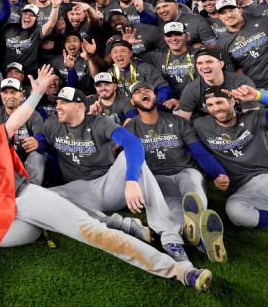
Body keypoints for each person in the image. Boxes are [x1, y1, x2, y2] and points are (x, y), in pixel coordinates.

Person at [0, 66, 212, 306]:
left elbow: (15, 121)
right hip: (4, 224)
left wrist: (36, 94)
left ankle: (180, 270)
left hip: (26, 199)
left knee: (95, 233)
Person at [43, 83, 191, 262]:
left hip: (108, 185)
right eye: (57, 102)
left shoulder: (99, 122)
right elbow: (45, 147)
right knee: (44, 196)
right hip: (78, 190)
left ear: (80, 106)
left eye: (63, 103)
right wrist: (38, 144)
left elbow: (133, 142)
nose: (57, 107)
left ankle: (170, 238)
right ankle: (121, 224)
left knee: (130, 158)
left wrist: (131, 180)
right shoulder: (51, 124)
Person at [125, 81, 229, 262]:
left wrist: (218, 173)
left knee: (193, 189)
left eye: (148, 90)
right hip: (158, 176)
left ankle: (190, 232)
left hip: (185, 170)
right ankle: (201, 238)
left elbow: (198, 151)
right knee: (172, 203)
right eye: (138, 92)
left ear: (155, 97)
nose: (144, 92)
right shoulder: (129, 128)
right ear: (132, 102)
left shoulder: (177, 121)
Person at [194, 85, 268, 232]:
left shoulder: (255, 118)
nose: (216, 108)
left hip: (265, 176)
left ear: (232, 102)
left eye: (220, 102)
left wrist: (259, 97)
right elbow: (198, 152)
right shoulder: (200, 125)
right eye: (210, 105)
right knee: (234, 210)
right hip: (243, 188)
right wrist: (217, 174)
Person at [0, 77, 47, 185]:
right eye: (5, 92)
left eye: (13, 92)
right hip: (1, 161)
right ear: (0, 95)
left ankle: (32, 192)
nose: (9, 96)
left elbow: (43, 141)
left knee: (38, 157)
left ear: (21, 95)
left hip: (26, 161)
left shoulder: (33, 114)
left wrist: (38, 144)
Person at [177, 46, 259, 120]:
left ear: (221, 64)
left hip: (240, 126)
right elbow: (182, 124)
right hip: (210, 131)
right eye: (200, 63)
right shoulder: (191, 89)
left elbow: (253, 120)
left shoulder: (241, 82)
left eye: (209, 62)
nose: (205, 66)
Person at [215, 0, 268, 88]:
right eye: (223, 13)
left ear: (240, 11)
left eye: (232, 10)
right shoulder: (222, 43)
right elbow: (230, 71)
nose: (229, 15)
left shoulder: (263, 22)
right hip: (256, 87)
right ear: (219, 17)